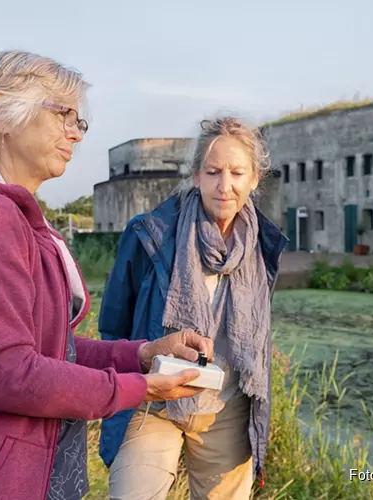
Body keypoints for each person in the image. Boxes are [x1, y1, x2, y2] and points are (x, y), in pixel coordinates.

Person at [0, 50, 214, 500]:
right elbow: (4, 372)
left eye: (79, 122)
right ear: (1, 114)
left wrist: (141, 354)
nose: (74, 134)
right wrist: (136, 388)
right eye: (63, 114)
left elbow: (47, 350)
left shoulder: (13, 217)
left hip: (26, 470)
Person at [98, 116, 288, 499]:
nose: (225, 185)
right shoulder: (149, 233)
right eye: (213, 171)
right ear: (196, 175)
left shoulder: (262, 244)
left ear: (254, 179)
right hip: (154, 400)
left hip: (227, 408)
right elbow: (114, 324)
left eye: (237, 173)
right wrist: (125, 385)